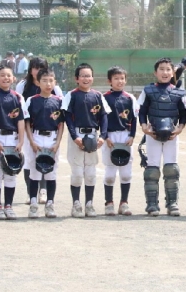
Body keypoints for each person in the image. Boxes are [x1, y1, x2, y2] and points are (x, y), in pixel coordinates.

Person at [138, 57, 186, 216]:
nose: (165, 72)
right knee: (152, 169)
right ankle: (152, 204)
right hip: (153, 134)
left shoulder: (179, 92)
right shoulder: (148, 90)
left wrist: (180, 128)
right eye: (161, 69)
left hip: (171, 135)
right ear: (155, 72)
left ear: (173, 72)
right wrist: (144, 127)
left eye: (168, 69)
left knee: (171, 169)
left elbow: (184, 114)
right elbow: (142, 111)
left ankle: (172, 204)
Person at [62, 63, 111, 218]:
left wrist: (103, 136)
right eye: (83, 76)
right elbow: (67, 118)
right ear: (76, 78)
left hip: (93, 135)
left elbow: (104, 116)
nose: (86, 78)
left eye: (88, 75)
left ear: (92, 78)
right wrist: (74, 137)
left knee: (90, 172)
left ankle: (89, 204)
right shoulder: (72, 95)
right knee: (77, 173)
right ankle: (76, 204)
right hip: (77, 134)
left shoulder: (98, 96)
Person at [16, 57, 64, 205]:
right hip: (30, 129)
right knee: (30, 162)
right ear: (30, 70)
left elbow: (60, 115)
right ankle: (30, 192)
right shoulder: (23, 86)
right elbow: (19, 106)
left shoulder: (54, 89)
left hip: (50, 130)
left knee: (47, 160)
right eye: (35, 68)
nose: (38, 71)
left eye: (41, 68)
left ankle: (43, 191)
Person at [0, 65, 28, 220]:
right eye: (2, 75)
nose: (6, 78)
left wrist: (21, 141)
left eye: (9, 75)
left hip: (13, 138)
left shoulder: (18, 97)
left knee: (11, 173)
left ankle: (8, 206)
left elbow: (21, 120)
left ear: (13, 78)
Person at [102, 66, 139, 216]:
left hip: (125, 136)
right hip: (110, 136)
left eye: (122, 78)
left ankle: (124, 203)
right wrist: (105, 136)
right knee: (110, 174)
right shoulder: (104, 98)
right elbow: (102, 119)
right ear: (109, 81)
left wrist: (132, 135)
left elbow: (134, 118)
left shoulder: (130, 98)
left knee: (126, 173)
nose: (120, 81)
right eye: (116, 78)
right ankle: (109, 203)